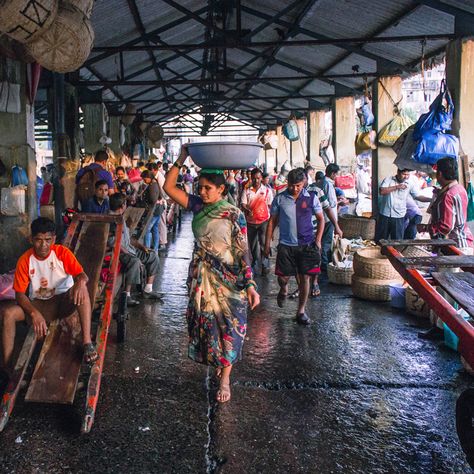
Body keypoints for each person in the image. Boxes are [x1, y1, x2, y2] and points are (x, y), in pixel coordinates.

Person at [163, 145, 260, 403]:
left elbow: (242, 251)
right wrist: (182, 157)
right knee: (207, 326)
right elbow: (169, 188)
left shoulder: (233, 214)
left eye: (208, 188)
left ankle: (226, 378)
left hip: (229, 279)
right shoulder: (197, 206)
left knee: (229, 327)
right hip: (202, 276)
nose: (202, 192)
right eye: (200, 187)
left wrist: (250, 284)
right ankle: (219, 361)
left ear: (222, 190)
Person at [0, 217, 98, 386]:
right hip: (39, 304)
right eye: (38, 240)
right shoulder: (25, 260)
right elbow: (19, 294)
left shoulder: (62, 253)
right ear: (31, 239)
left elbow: (82, 275)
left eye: (47, 240)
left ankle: (87, 342)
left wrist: (80, 283)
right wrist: (33, 312)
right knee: (7, 313)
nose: (43, 245)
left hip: (62, 302)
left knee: (82, 292)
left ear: (53, 239)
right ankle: (7, 368)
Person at [264, 168, 325, 325]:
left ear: (304, 183)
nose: (294, 188)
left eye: (298, 185)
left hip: (306, 244)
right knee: (283, 277)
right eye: (291, 185)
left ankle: (301, 311)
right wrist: (267, 243)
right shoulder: (280, 198)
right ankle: (283, 289)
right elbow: (272, 221)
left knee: (305, 278)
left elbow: (321, 219)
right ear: (287, 183)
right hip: (286, 245)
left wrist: (318, 240)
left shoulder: (312, 198)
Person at [109, 193, 162, 305]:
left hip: (130, 249)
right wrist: (126, 252)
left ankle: (148, 289)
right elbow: (111, 242)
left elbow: (129, 239)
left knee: (152, 255)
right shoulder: (110, 220)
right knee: (134, 262)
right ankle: (126, 295)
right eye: (125, 203)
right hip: (119, 252)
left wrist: (142, 246)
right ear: (122, 205)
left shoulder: (121, 218)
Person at [426, 157, 473, 253]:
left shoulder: (448, 195)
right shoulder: (460, 188)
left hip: (454, 246)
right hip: (465, 242)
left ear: (440, 174)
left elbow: (446, 226)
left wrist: (425, 228)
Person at [375, 168, 431, 242]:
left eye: (408, 175)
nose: (406, 177)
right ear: (398, 172)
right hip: (385, 215)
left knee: (397, 241)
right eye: (404, 174)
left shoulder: (410, 183)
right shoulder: (388, 180)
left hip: (399, 216)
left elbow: (417, 196)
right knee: (380, 240)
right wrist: (397, 187)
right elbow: (382, 191)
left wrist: (431, 199)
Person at [240, 168, 274, 276]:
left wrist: (271, 225)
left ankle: (265, 264)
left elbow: (271, 206)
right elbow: (243, 204)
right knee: (253, 246)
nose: (256, 181)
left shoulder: (267, 191)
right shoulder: (247, 191)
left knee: (264, 244)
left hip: (264, 221)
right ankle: (255, 262)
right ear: (251, 178)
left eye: (258, 178)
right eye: (254, 178)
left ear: (261, 178)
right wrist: (246, 210)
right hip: (250, 223)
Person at [316, 164, 340, 271]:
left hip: (322, 217)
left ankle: (321, 263)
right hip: (328, 218)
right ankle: (324, 266)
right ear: (332, 173)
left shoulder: (321, 182)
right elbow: (331, 204)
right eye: (336, 174)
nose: (336, 176)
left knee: (322, 241)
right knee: (326, 243)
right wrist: (341, 202)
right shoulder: (328, 185)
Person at [138, 170, 164, 253]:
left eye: (144, 178)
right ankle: (155, 250)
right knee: (155, 229)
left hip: (154, 210)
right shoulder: (155, 183)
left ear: (149, 177)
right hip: (158, 209)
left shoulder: (152, 186)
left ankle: (147, 250)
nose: (143, 180)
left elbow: (153, 199)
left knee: (147, 230)